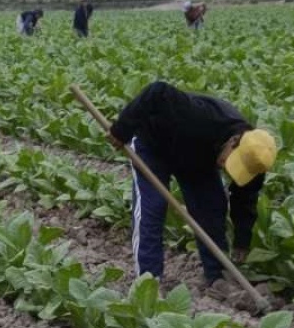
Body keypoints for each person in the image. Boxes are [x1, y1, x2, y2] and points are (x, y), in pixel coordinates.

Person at [108, 80, 277, 286]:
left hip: (198, 157)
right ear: (233, 141)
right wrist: (122, 129)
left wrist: (242, 240)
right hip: (153, 145)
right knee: (152, 206)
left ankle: (217, 277)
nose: (227, 168)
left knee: (212, 209)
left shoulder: (255, 160)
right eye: (231, 161)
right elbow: (157, 91)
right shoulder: (198, 116)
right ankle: (149, 282)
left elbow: (245, 199)